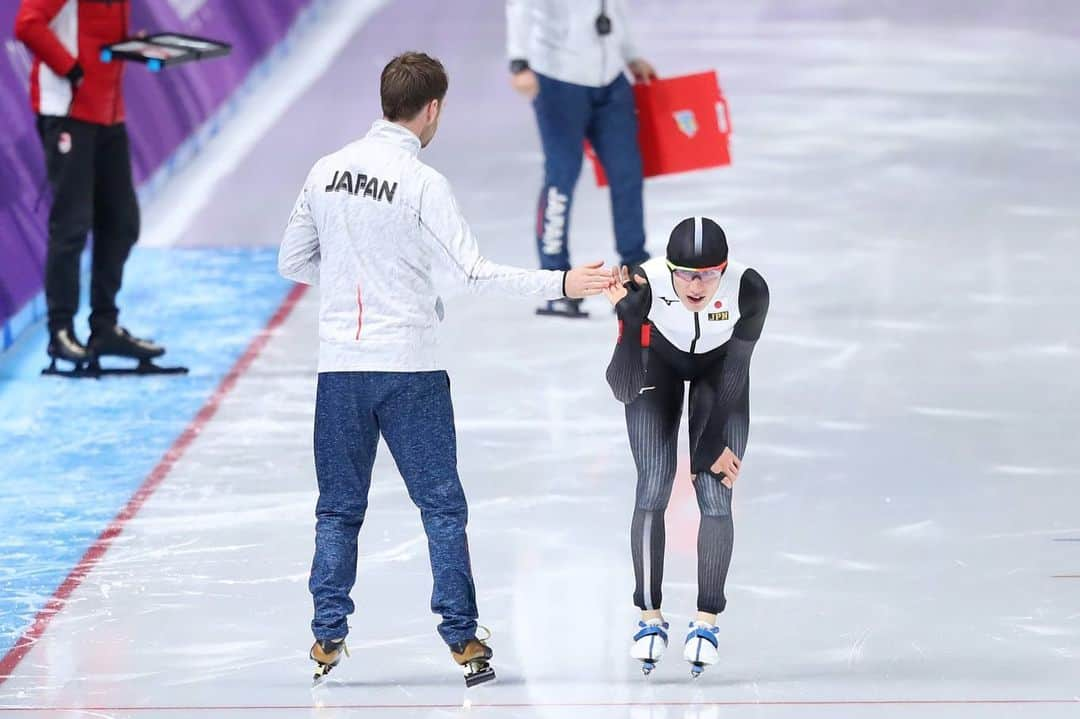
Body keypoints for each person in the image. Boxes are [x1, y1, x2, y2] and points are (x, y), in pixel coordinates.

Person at [278, 51, 611, 687]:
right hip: (409, 369)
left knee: (338, 509)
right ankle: (462, 638)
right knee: (441, 509)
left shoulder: (326, 171)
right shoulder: (422, 182)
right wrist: (565, 279)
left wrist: (352, 282)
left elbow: (294, 261)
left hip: (340, 371)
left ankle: (326, 635)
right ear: (432, 109)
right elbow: (477, 274)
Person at [602, 217, 769, 677]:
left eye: (708, 274)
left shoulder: (749, 289)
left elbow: (736, 371)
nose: (696, 285)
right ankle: (649, 617)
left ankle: (707, 619)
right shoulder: (645, 284)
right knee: (653, 484)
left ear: (725, 268)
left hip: (720, 375)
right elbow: (623, 385)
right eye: (686, 274)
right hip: (658, 365)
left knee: (716, 491)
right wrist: (629, 318)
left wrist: (705, 450)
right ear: (669, 268)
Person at [14, 0, 168, 371]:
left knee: (121, 223)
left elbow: (96, 32)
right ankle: (61, 332)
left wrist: (132, 45)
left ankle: (104, 327)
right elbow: (28, 24)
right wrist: (71, 68)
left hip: (108, 113)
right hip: (68, 112)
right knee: (71, 225)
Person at [506, 0, 657, 318]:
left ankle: (635, 269)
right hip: (558, 77)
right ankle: (554, 278)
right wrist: (519, 62)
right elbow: (520, 4)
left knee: (627, 170)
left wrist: (629, 55)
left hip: (610, 79)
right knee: (562, 175)